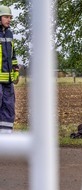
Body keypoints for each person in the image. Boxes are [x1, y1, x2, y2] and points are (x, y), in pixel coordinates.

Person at [0, 6, 19, 134]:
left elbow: (12, 55)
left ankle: (6, 137)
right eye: (6, 17)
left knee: (9, 107)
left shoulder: (10, 34)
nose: (9, 20)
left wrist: (16, 69)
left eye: (10, 17)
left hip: (8, 80)